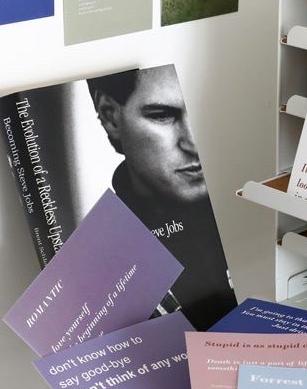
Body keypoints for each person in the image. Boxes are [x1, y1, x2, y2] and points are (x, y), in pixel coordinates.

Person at [87, 66, 236, 329]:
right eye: (162, 115)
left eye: (204, 109)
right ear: (110, 116)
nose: (194, 144)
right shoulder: (98, 260)